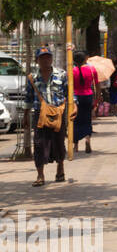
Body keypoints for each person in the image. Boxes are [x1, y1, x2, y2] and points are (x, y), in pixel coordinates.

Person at [25, 47, 68, 187]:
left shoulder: (61, 75)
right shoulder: (32, 78)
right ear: (37, 60)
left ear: (51, 58)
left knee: (59, 142)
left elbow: (70, 94)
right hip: (39, 115)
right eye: (42, 58)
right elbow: (28, 98)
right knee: (39, 144)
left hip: (58, 114)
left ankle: (60, 169)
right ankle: (40, 175)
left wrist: (75, 107)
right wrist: (26, 115)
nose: (46, 60)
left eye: (48, 57)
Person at [70, 50, 98, 154]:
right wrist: (98, 98)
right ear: (85, 59)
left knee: (75, 120)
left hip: (75, 98)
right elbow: (97, 86)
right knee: (87, 120)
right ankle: (87, 140)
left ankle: (76, 146)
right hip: (88, 96)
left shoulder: (72, 71)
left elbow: (69, 87)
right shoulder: (92, 70)